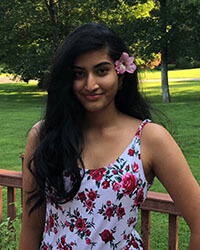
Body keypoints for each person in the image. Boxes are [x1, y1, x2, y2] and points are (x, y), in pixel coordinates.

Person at [19, 23, 200, 250]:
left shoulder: (150, 139)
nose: (90, 84)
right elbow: (31, 228)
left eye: (101, 70)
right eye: (78, 74)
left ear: (121, 74)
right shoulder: (44, 135)